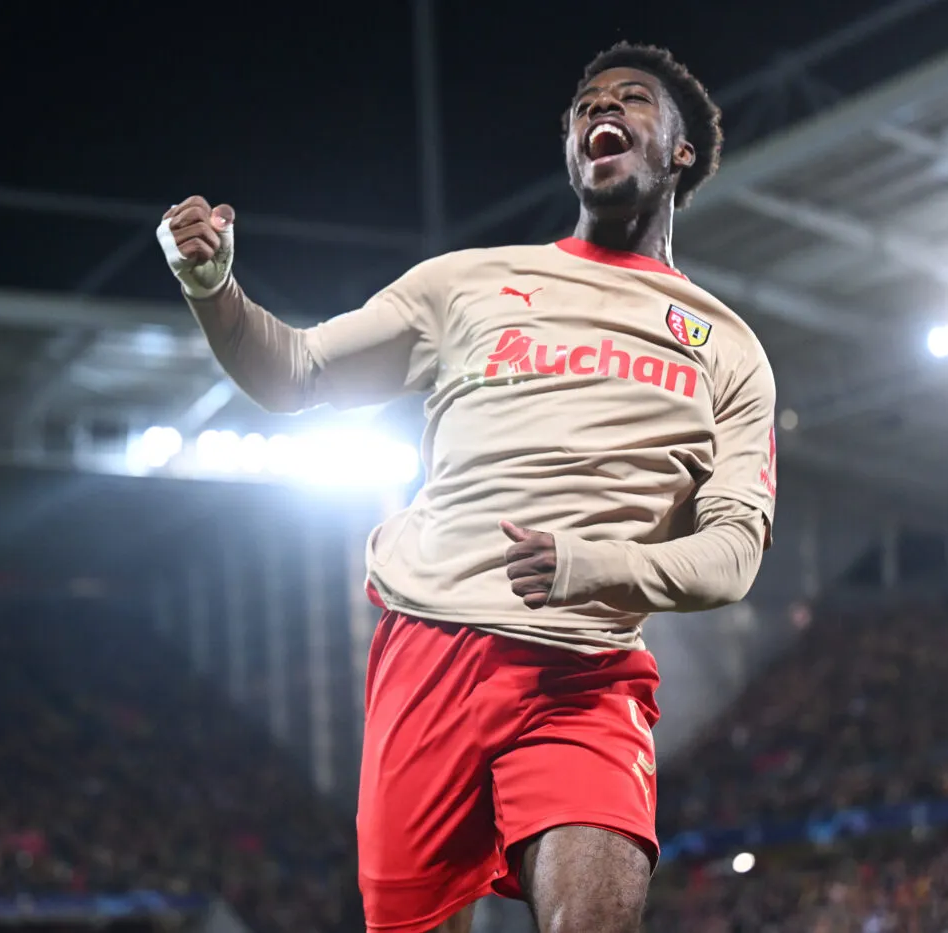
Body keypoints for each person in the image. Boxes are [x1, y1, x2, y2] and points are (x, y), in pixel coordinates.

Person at [157, 42, 776, 933]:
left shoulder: (728, 347)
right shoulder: (467, 285)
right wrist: (210, 285)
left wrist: (591, 565)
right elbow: (294, 371)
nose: (602, 108)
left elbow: (733, 555)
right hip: (429, 648)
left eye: (633, 98)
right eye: (585, 104)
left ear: (681, 152)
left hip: (584, 672)